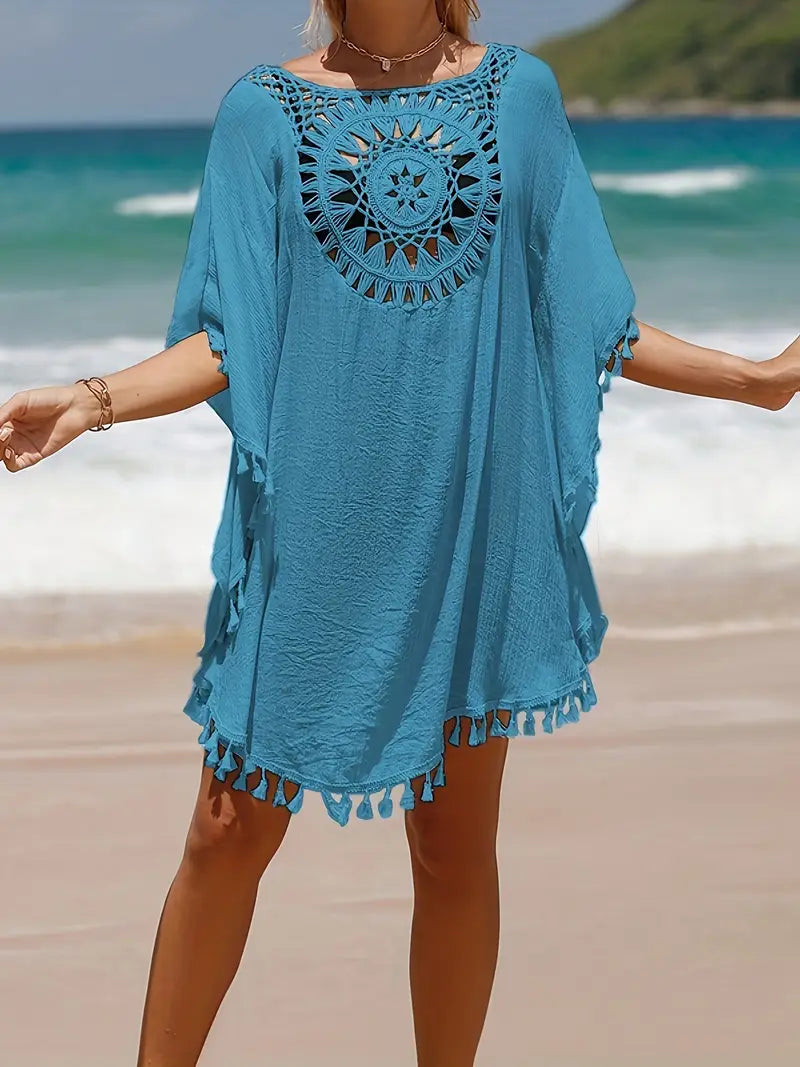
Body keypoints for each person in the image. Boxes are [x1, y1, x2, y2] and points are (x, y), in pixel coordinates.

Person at [2, 2, 798, 1064]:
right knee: (226, 828)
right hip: (316, 527)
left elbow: (581, 310)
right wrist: (91, 400)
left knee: (452, 847)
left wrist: (752, 381)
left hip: (472, 516)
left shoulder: (516, 97)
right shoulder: (262, 111)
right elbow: (228, 339)